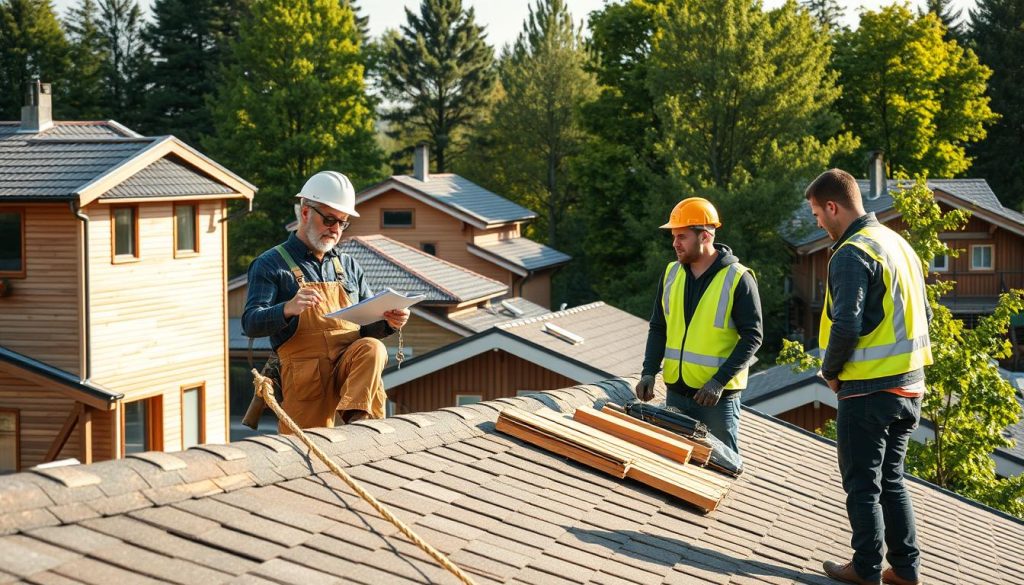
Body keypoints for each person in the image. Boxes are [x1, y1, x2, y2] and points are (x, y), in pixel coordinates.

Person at [808, 169, 932, 585]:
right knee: (891, 480)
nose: (817, 223)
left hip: (867, 391)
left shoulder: (851, 253)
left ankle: (865, 570)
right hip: (909, 386)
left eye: (816, 214)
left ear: (833, 206)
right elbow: (926, 315)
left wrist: (830, 372)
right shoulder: (898, 244)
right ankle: (905, 569)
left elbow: (846, 325)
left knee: (863, 484)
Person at [242, 171, 409, 433]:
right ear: (305, 212)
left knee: (373, 347)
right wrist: (287, 309)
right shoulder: (270, 264)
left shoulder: (349, 266)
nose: (336, 228)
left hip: (351, 373)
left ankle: (358, 425)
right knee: (305, 459)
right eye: (329, 219)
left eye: (342, 223)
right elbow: (250, 323)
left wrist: (389, 322)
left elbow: (366, 329)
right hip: (305, 382)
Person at [635, 197, 763, 464]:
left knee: (721, 468)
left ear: (704, 236)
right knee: (672, 465)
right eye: (673, 236)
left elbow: (753, 337)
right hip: (676, 395)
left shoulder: (738, 278)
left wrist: (718, 381)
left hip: (717, 400)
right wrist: (649, 371)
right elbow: (659, 327)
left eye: (681, 236)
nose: (675, 243)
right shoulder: (671, 273)